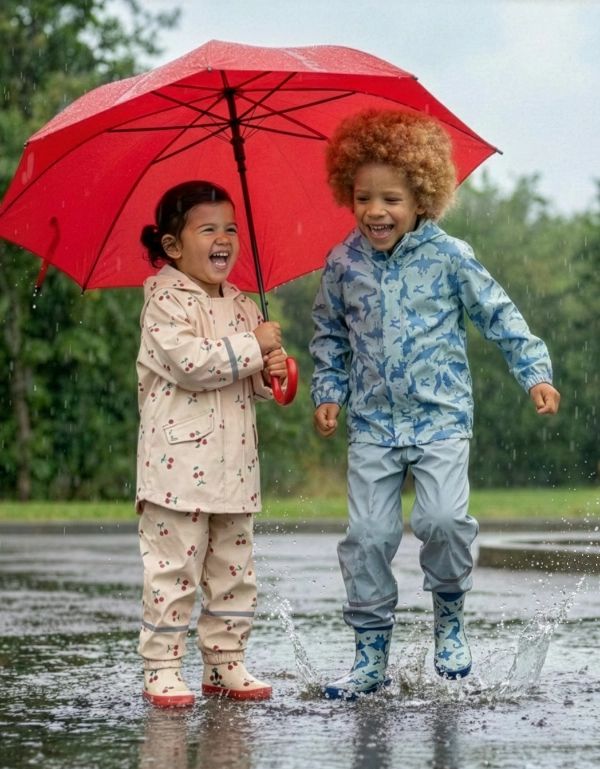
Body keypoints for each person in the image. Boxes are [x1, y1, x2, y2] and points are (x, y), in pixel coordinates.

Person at [310, 109, 560, 700]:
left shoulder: (450, 256)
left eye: (391, 198)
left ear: (422, 197)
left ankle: (450, 616)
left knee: (443, 521)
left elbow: (498, 314)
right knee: (368, 537)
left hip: (441, 418)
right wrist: (328, 391)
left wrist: (534, 372)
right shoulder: (342, 265)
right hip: (372, 425)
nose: (376, 211)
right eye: (364, 197)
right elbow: (328, 335)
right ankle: (370, 654)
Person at [136, 181, 287, 707]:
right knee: (173, 570)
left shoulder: (245, 305)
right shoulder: (164, 300)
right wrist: (253, 346)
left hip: (236, 469)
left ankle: (225, 662)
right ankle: (161, 665)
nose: (224, 239)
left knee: (233, 574)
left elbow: (256, 384)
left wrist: (272, 369)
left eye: (231, 229)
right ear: (174, 246)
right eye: (208, 229)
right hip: (176, 470)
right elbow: (192, 364)